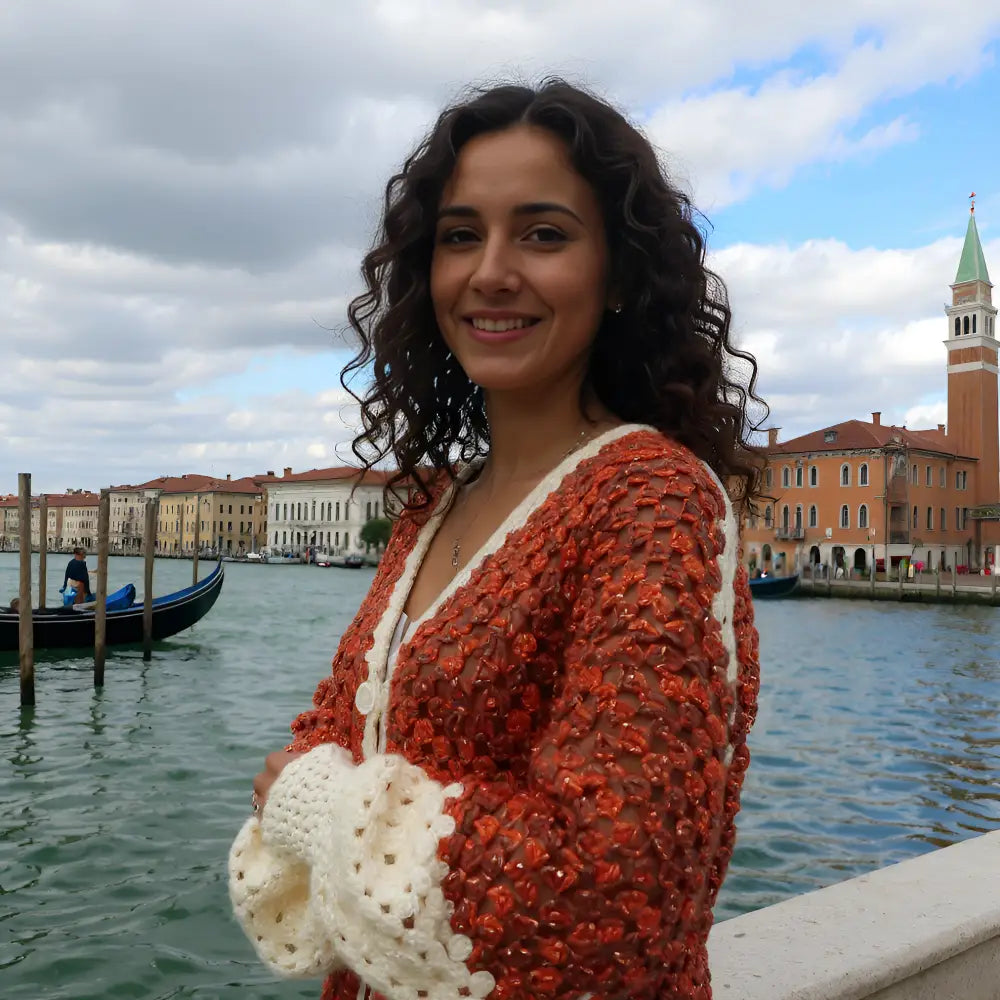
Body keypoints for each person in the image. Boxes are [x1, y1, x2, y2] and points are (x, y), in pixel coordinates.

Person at [229, 79, 765, 1000]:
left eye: (543, 234)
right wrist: (324, 793)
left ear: (621, 275)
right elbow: (333, 734)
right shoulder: (434, 507)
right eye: (460, 236)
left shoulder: (654, 500)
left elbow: (616, 894)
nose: (491, 271)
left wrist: (323, 806)